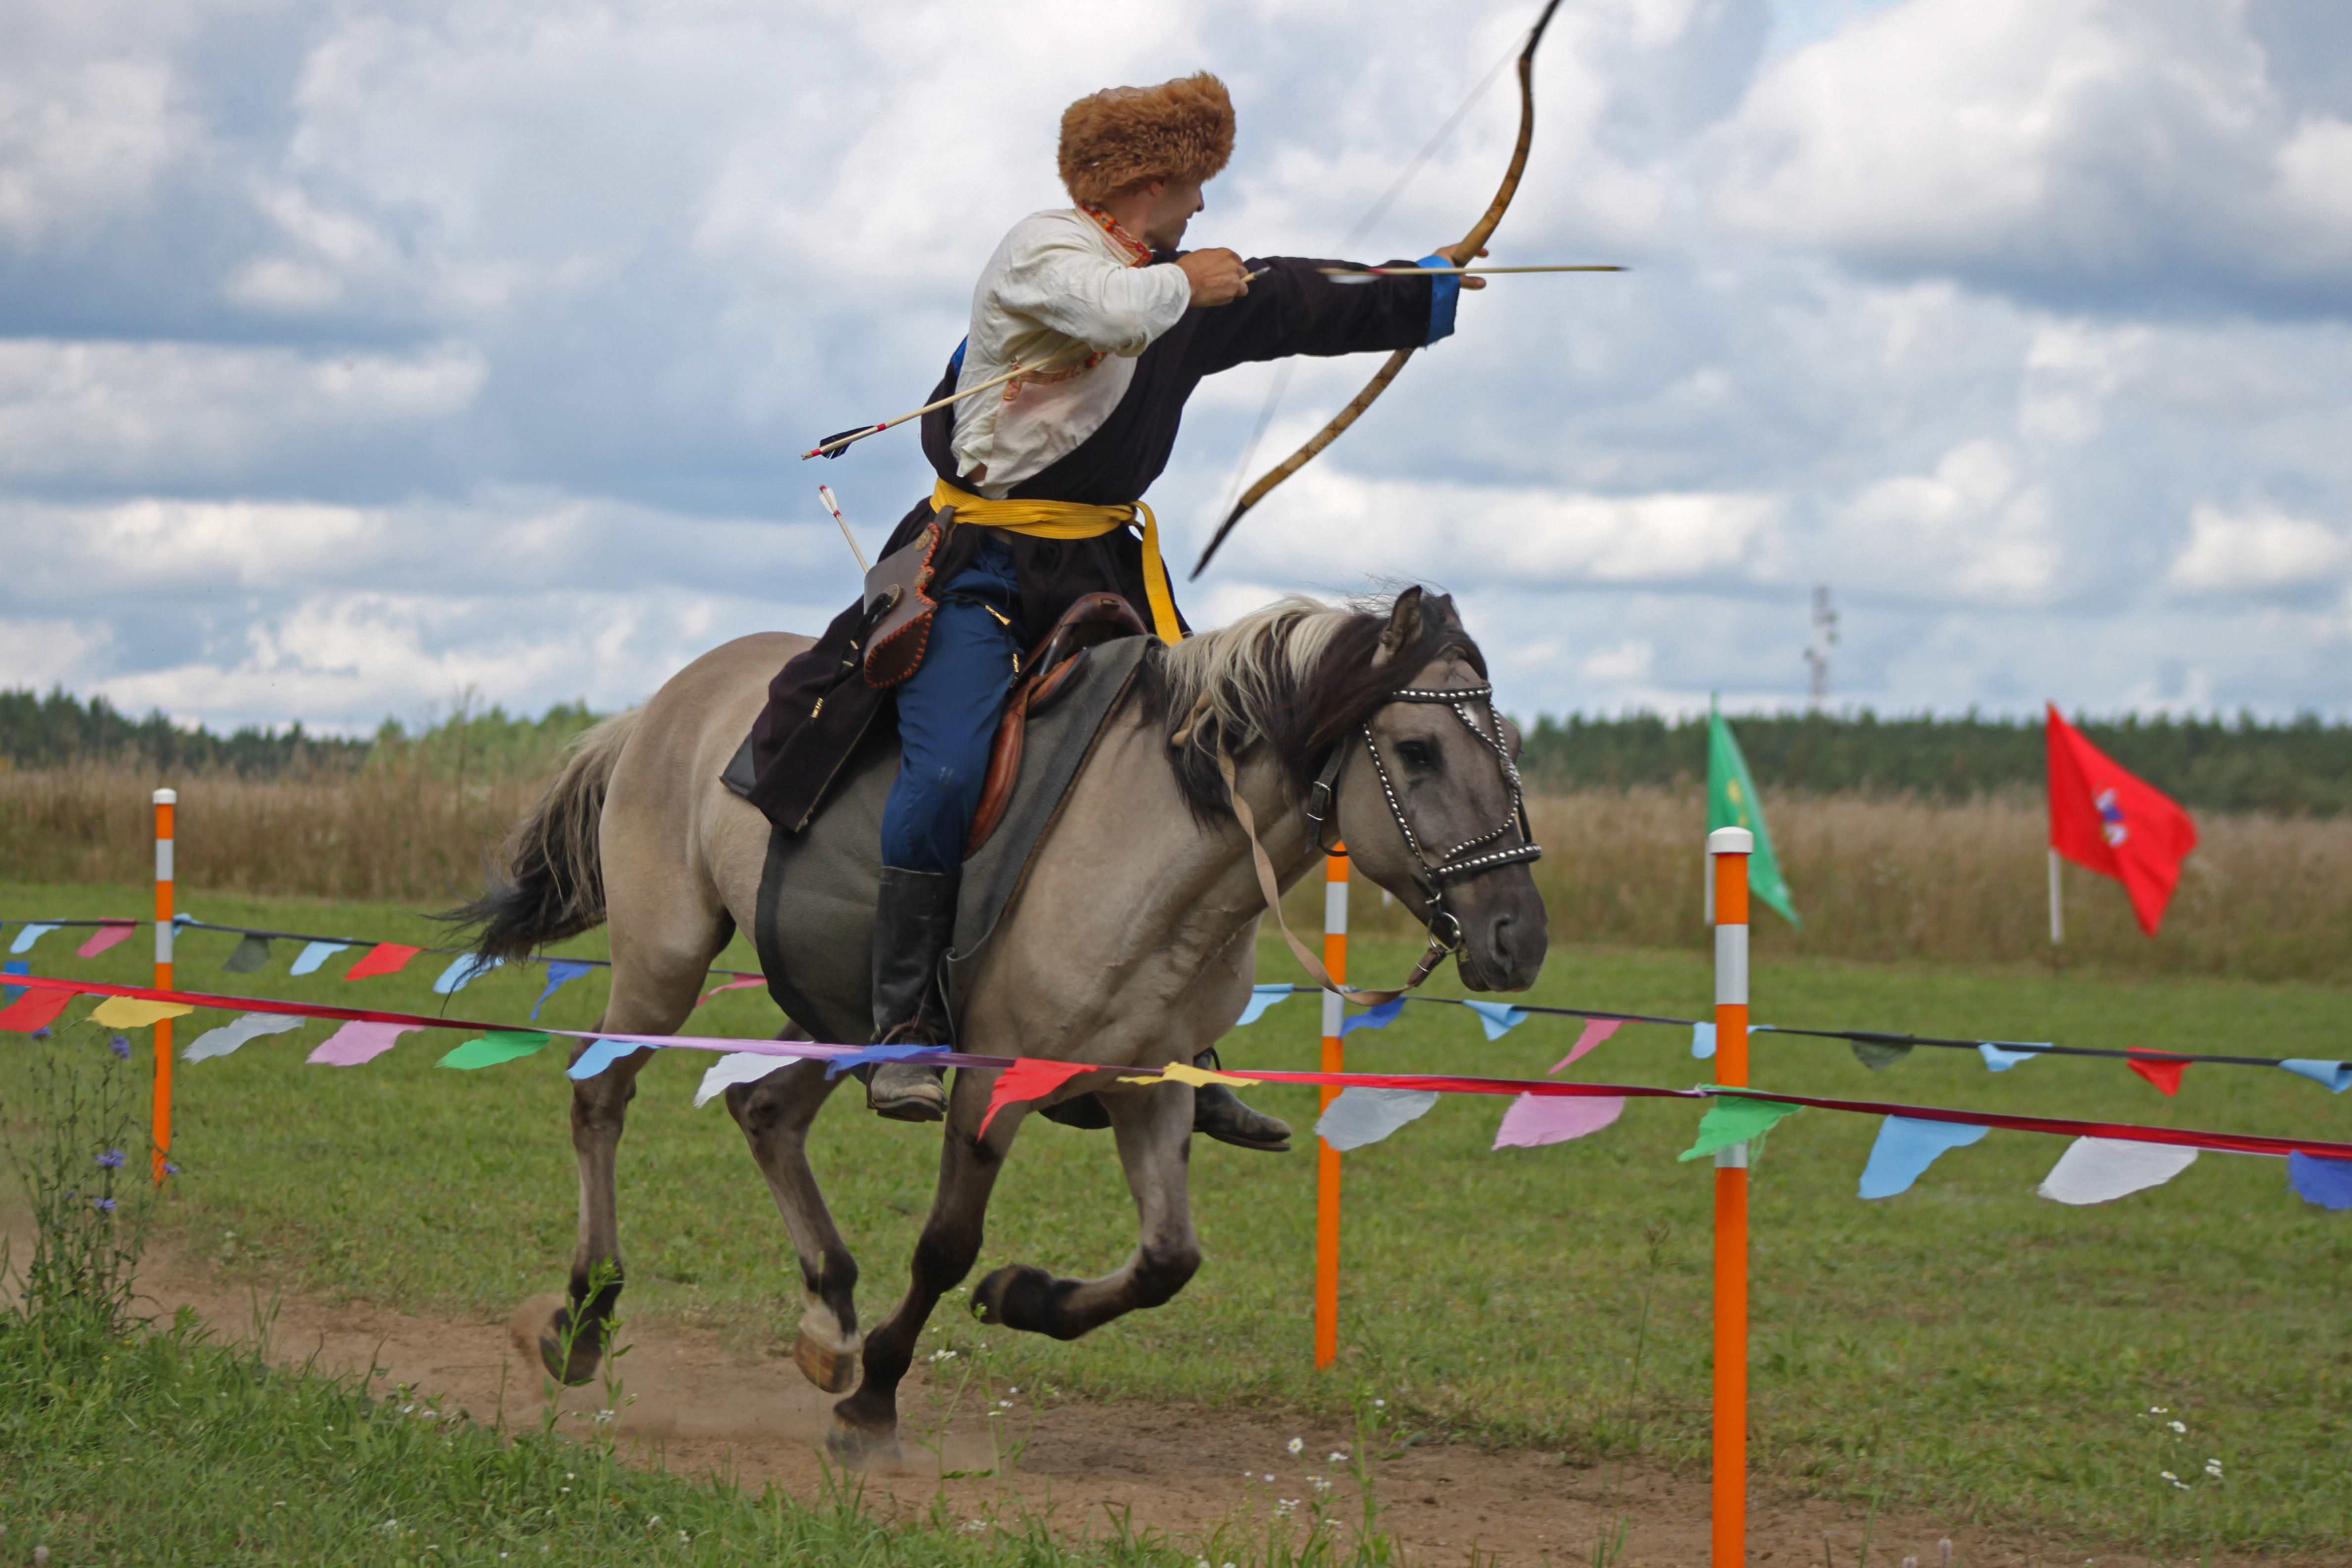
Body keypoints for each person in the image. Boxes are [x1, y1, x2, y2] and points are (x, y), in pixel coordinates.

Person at [744, 72, 1479, 1135]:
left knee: (1193, 766)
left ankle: (1182, 1037)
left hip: (1099, 573)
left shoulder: (1174, 283)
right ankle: (904, 1030)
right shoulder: (1046, 255)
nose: (1202, 212)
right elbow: (1112, 310)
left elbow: (1289, 299)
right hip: (982, 567)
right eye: (1192, 189)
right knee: (947, 768)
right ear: (1149, 182)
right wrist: (1201, 286)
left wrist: (1424, 289)